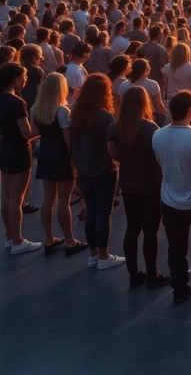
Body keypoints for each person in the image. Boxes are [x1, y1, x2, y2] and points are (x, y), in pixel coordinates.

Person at [153, 91, 191, 304]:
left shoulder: (157, 135)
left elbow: (160, 163)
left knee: (176, 248)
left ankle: (180, 289)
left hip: (169, 200)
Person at [107, 86, 168, 288]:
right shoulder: (151, 128)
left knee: (132, 227)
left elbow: (113, 154)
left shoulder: (115, 127)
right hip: (150, 184)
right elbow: (160, 157)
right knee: (151, 230)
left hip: (128, 183)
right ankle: (152, 273)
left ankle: (134, 272)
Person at [30, 72, 86, 254]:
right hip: (61, 156)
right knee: (64, 201)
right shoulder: (62, 110)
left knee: (48, 199)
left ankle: (48, 239)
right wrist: (74, 160)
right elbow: (68, 140)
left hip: (45, 154)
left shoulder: (36, 108)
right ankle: (70, 241)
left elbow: (35, 132)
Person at [71, 73, 122, 269]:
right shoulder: (105, 116)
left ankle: (93, 255)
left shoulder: (76, 113)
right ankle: (104, 255)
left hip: (84, 170)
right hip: (104, 169)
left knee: (91, 211)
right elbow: (112, 145)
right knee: (104, 212)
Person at [0, 63, 41, 255]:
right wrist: (42, 127)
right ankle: (18, 240)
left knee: (6, 197)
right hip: (18, 151)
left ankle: (9, 237)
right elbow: (27, 133)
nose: (25, 80)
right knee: (17, 199)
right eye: (23, 77)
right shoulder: (17, 103)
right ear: (16, 79)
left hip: (4, 148)